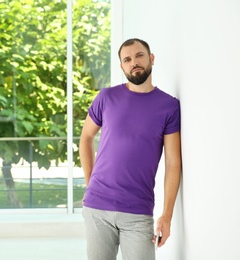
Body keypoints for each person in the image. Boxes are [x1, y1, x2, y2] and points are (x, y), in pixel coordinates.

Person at [79, 38, 181, 260]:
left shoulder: (169, 106)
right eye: (127, 59)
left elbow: (173, 163)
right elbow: (86, 137)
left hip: (138, 212)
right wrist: (90, 184)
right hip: (97, 209)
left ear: (151, 58)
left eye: (139, 56)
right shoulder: (106, 97)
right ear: (122, 66)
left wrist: (167, 215)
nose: (133, 62)